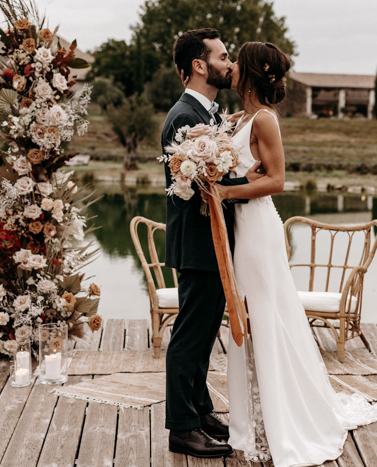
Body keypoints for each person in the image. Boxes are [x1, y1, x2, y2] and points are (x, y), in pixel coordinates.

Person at [214, 42, 377, 467]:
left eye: (236, 61)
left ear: (252, 72)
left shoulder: (266, 120)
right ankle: (250, 418)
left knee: (265, 315)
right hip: (238, 226)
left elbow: (276, 181)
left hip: (257, 229)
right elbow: (242, 168)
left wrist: (224, 190)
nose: (230, 67)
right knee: (246, 314)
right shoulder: (239, 117)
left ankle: (281, 418)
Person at [161, 28, 263, 458]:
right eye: (222, 56)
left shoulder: (206, 113)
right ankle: (182, 428)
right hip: (200, 243)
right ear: (199, 65)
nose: (229, 63)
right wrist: (248, 180)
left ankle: (200, 410)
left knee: (203, 335)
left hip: (210, 242)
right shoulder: (185, 117)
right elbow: (202, 185)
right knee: (190, 335)